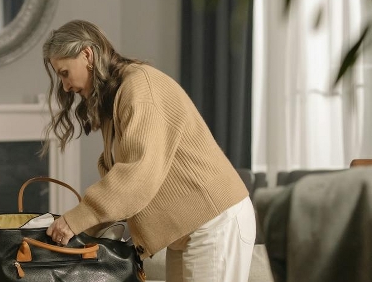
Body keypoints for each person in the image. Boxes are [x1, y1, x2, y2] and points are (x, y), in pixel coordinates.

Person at [41, 19, 256, 282]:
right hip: (190, 228)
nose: (64, 86)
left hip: (214, 221)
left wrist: (75, 220)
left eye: (64, 73)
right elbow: (118, 184)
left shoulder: (140, 87)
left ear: (87, 55)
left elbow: (137, 175)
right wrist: (77, 227)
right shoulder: (116, 95)